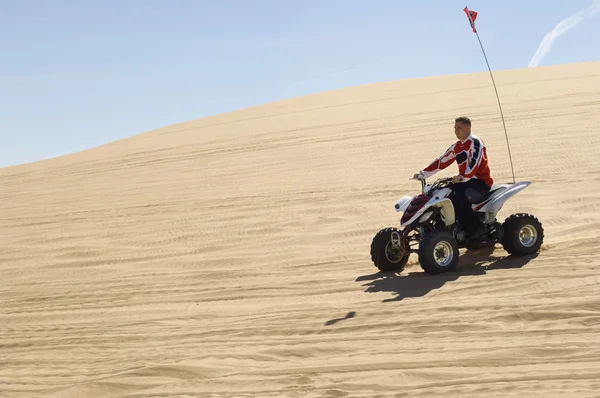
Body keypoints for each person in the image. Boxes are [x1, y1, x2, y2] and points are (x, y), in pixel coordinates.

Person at [413, 116, 494, 240]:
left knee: (457, 200)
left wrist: (463, 176)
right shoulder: (457, 146)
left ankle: (476, 229)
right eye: (455, 128)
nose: (456, 130)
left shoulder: (476, 143)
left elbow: (475, 163)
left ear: (468, 128)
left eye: (459, 128)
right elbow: (442, 161)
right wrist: (424, 173)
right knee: (441, 193)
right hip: (464, 182)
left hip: (480, 183)